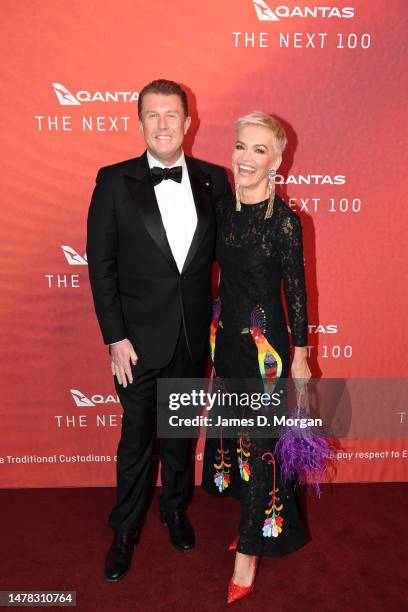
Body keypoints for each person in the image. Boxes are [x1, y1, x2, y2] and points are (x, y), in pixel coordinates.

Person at [86, 79, 231, 582]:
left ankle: (174, 509)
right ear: (140, 121)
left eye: (172, 115)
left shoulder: (216, 180)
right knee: (135, 442)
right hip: (136, 343)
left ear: (189, 122)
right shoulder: (113, 181)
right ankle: (124, 530)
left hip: (192, 339)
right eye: (153, 115)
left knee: (178, 435)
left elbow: (228, 262)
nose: (164, 124)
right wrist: (114, 337)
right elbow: (101, 266)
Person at [201, 111, 312, 603]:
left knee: (264, 441)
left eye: (259, 150)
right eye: (241, 146)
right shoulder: (222, 209)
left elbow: (297, 294)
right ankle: (250, 518)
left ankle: (248, 552)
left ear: (277, 161)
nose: (246, 157)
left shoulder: (286, 223)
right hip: (226, 345)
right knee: (239, 438)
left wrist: (303, 358)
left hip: (267, 356)